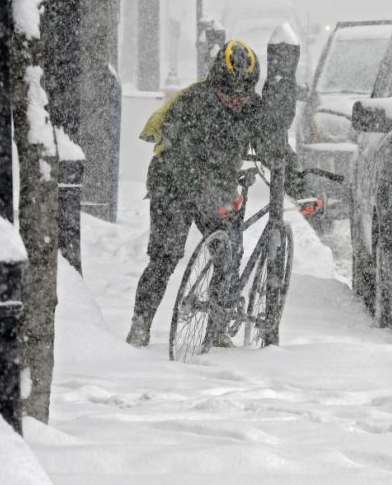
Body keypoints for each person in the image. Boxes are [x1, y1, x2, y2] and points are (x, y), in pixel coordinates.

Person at [126, 39, 303, 347]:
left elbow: (271, 146)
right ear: (214, 82)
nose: (236, 98)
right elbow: (182, 160)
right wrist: (211, 195)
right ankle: (140, 324)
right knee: (165, 257)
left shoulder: (251, 107)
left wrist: (298, 181)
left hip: (215, 187)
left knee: (229, 253)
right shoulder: (193, 104)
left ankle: (217, 326)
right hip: (172, 184)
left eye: (244, 90)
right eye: (229, 91)